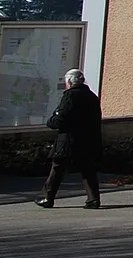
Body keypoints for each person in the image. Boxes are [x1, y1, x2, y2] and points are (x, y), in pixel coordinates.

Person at [36, 69, 103, 209]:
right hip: (89, 139)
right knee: (88, 169)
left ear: (70, 82)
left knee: (57, 168)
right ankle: (93, 199)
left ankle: (47, 197)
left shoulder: (70, 96)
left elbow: (61, 119)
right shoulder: (92, 97)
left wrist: (51, 121)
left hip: (68, 139)